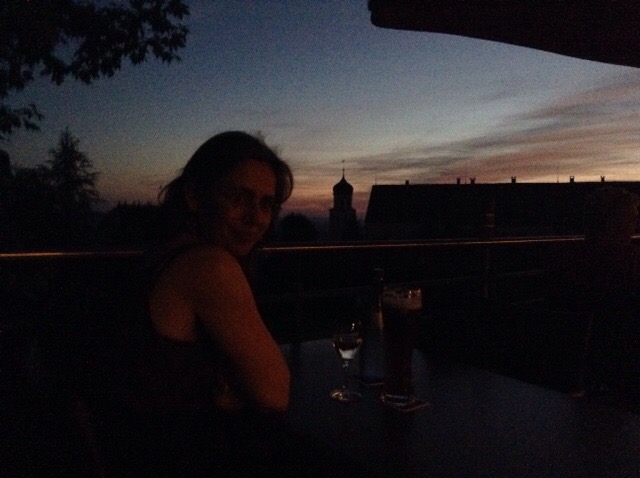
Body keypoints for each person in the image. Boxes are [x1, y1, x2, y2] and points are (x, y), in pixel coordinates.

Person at [96, 132, 348, 476]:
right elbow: (274, 394)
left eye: (266, 204)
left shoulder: (163, 253)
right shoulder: (208, 265)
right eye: (238, 197)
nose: (255, 218)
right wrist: (233, 385)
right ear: (195, 196)